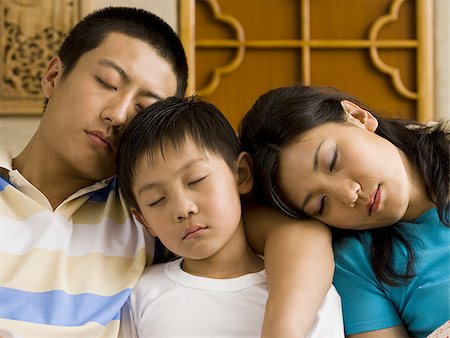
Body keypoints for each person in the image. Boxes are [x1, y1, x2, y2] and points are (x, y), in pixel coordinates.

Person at [0, 7, 334, 338]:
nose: (118, 115)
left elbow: (298, 237)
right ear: (53, 76)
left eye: (143, 109)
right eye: (106, 82)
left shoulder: (149, 211)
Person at [115, 96, 344, 337]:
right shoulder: (139, 293)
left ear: (241, 174)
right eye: (157, 200)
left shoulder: (305, 293)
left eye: (196, 180)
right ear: (144, 221)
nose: (183, 208)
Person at [239, 84, 450, 337]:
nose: (349, 195)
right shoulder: (356, 264)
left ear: (358, 117)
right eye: (321, 204)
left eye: (332, 162)